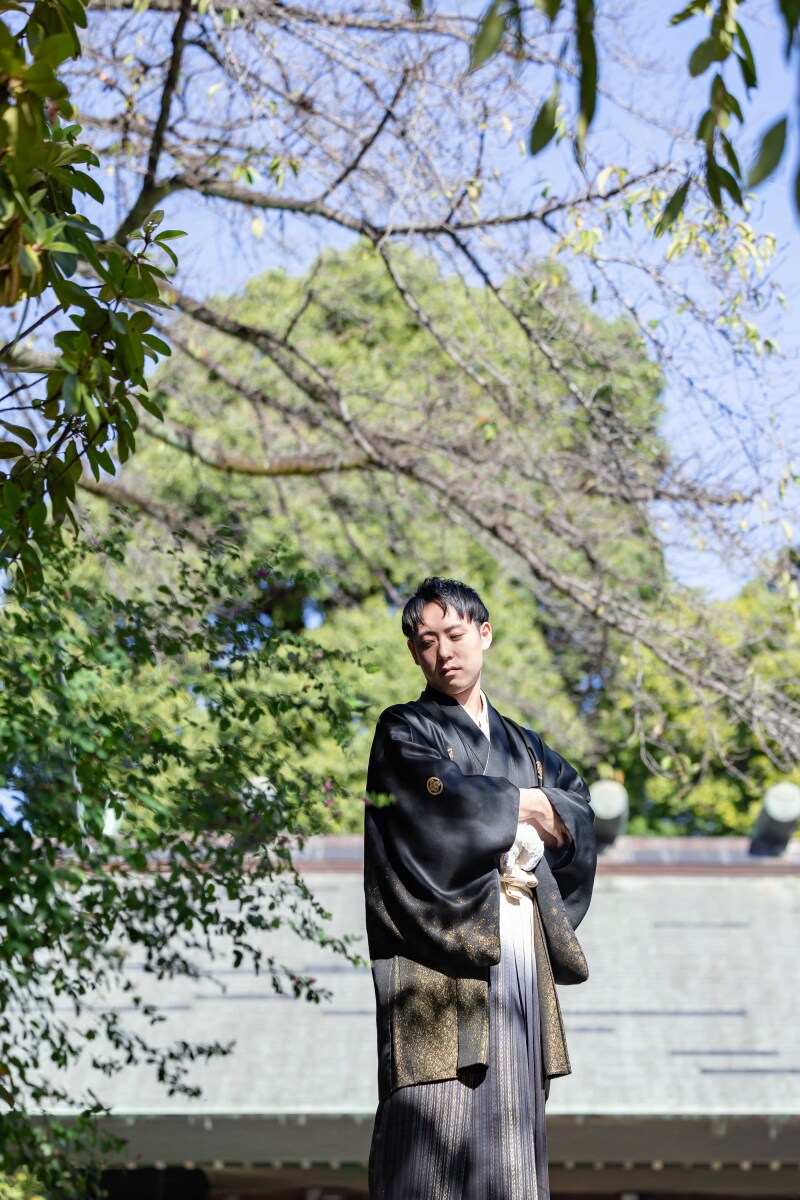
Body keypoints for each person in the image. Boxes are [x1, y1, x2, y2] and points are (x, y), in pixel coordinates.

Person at [363, 576, 597, 1200]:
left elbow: (576, 811)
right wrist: (527, 807)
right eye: (428, 641)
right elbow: (437, 808)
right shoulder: (403, 730)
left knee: (514, 1147)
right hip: (435, 970)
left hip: (517, 950)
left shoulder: (528, 746)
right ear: (414, 653)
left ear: (485, 635)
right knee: (430, 1145)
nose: (445, 652)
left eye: (457, 635)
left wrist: (540, 811)